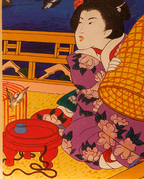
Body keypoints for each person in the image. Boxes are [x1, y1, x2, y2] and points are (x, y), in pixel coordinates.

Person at [61, 0, 144, 169]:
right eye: (80, 23)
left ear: (109, 29)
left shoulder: (127, 46)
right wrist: (109, 73)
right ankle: (114, 157)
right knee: (75, 138)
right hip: (93, 111)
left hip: (129, 105)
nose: (81, 30)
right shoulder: (82, 58)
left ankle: (126, 153)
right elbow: (88, 87)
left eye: (90, 23)